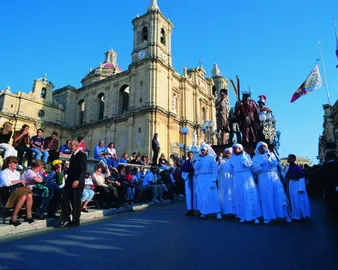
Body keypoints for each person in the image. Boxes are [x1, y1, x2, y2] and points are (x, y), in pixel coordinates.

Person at [252, 142, 291, 224]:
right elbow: (254, 169)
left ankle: (285, 215)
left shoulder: (271, 154)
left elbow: (275, 164)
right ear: (258, 148)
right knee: (266, 197)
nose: (263, 148)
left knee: (278, 195)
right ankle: (268, 217)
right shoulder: (255, 157)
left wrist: (269, 157)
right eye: (261, 147)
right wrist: (261, 164)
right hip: (263, 178)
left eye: (264, 146)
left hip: (273, 176)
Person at [228, 143, 261, 223]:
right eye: (233, 148)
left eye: (236, 148)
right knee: (240, 196)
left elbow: (248, 164)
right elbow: (230, 169)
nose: (234, 150)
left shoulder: (247, 156)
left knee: (249, 195)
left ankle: (254, 216)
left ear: (240, 149)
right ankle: (242, 215)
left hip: (246, 177)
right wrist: (236, 173)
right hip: (237, 178)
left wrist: (243, 156)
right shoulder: (231, 159)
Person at [60, 140, 87, 227]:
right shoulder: (73, 155)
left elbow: (83, 169)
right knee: (65, 197)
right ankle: (66, 218)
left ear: (76, 146)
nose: (70, 146)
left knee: (76, 202)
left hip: (77, 182)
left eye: (71, 145)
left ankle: (75, 221)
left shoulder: (82, 155)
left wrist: (78, 180)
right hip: (70, 181)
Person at [0, 156, 34, 226]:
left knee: (27, 195)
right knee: (27, 192)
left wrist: (21, 182)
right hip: (8, 192)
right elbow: (5, 183)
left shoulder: (17, 173)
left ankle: (27, 215)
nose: (17, 164)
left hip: (18, 190)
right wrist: (19, 181)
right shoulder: (3, 173)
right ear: (9, 164)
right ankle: (15, 217)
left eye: (17, 163)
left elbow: (20, 182)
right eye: (15, 162)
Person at [194, 144, 222, 220]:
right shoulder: (199, 159)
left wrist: (213, 180)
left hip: (209, 178)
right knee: (202, 195)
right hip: (201, 178)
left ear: (207, 151)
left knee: (212, 195)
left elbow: (214, 170)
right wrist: (197, 160)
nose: (202, 151)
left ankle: (217, 212)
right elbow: (195, 168)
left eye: (204, 150)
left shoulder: (211, 159)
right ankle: (204, 212)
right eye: (201, 150)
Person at [282, 154, 311, 221]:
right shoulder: (288, 167)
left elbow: (301, 177)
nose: (289, 160)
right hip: (291, 184)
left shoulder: (297, 167)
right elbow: (286, 176)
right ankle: (295, 215)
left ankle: (301, 215)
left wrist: (301, 188)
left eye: (291, 158)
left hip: (297, 186)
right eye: (288, 158)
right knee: (293, 200)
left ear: (294, 159)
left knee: (298, 200)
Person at [217, 148, 235, 216]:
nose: (228, 154)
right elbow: (217, 170)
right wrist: (218, 162)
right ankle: (225, 211)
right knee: (223, 195)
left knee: (232, 194)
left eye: (229, 153)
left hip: (232, 180)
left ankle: (233, 212)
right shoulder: (222, 161)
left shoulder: (233, 160)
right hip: (223, 181)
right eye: (226, 153)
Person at [321, 151, 338, 217]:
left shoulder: (325, 165)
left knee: (331, 199)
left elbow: (322, 176)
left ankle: (333, 212)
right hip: (335, 185)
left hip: (328, 186)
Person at [181, 151, 197, 216]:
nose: (190, 156)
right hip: (188, 180)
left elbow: (198, 170)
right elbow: (183, 172)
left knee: (195, 194)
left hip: (194, 180)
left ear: (193, 155)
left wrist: (194, 173)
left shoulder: (196, 162)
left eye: (191, 154)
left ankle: (197, 209)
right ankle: (190, 209)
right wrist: (188, 174)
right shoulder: (185, 163)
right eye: (189, 155)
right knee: (189, 195)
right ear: (187, 156)